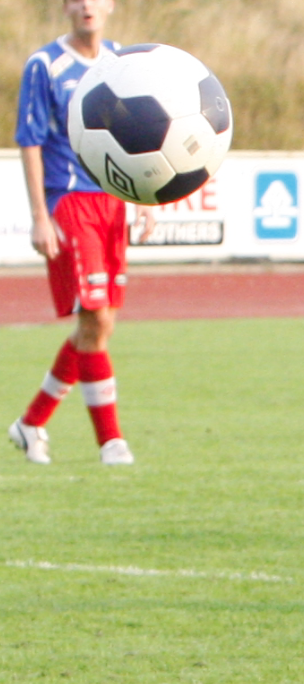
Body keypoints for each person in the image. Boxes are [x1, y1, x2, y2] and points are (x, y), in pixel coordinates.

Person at [9, 0, 149, 466]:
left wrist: (144, 198)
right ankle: (111, 442)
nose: (87, 5)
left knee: (100, 323)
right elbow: (30, 140)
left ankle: (31, 423)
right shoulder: (45, 64)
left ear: (111, 6)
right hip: (69, 199)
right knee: (95, 318)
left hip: (113, 198)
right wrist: (39, 214)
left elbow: (139, 134)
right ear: (66, 6)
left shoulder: (119, 60)